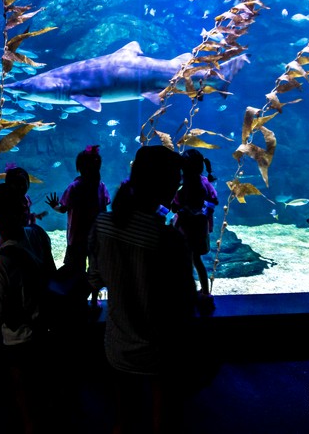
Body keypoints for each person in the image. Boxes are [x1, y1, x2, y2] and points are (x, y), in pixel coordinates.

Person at [87, 144, 195, 434]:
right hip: (159, 349)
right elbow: (185, 303)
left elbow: (95, 279)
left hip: (117, 344)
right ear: (167, 186)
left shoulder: (103, 224)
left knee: (122, 421)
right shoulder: (169, 238)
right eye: (176, 181)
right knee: (162, 421)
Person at [0, 181, 56, 434]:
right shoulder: (38, 235)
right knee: (45, 386)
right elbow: (51, 276)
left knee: (22, 390)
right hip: (45, 329)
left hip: (17, 339)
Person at [45, 144, 110, 311]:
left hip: (77, 238)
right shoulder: (101, 186)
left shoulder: (74, 186)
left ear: (79, 167)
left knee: (76, 269)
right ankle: (94, 301)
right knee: (95, 269)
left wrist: (54, 206)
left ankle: (77, 302)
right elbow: (105, 209)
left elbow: (63, 208)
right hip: (97, 237)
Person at [171, 148, 217, 313]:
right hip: (200, 227)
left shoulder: (183, 185)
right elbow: (214, 200)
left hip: (184, 227)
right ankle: (205, 293)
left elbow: (175, 205)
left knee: (185, 261)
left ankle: (186, 293)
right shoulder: (204, 181)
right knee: (196, 260)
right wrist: (203, 212)